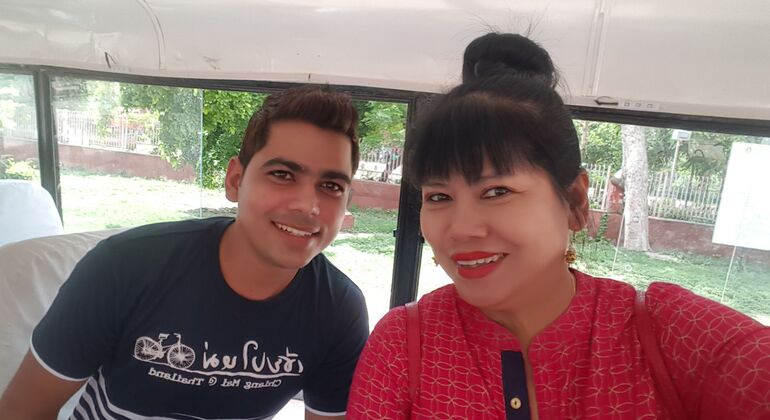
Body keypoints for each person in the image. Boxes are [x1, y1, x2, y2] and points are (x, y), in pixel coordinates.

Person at [347, 33, 770, 419]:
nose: (460, 229)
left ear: (575, 202)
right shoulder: (404, 344)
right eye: (439, 197)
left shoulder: (672, 334)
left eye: (496, 191)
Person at [0, 86, 369, 419]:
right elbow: (23, 410)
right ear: (235, 180)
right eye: (283, 175)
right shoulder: (123, 267)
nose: (308, 205)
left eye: (331, 186)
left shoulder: (337, 309)